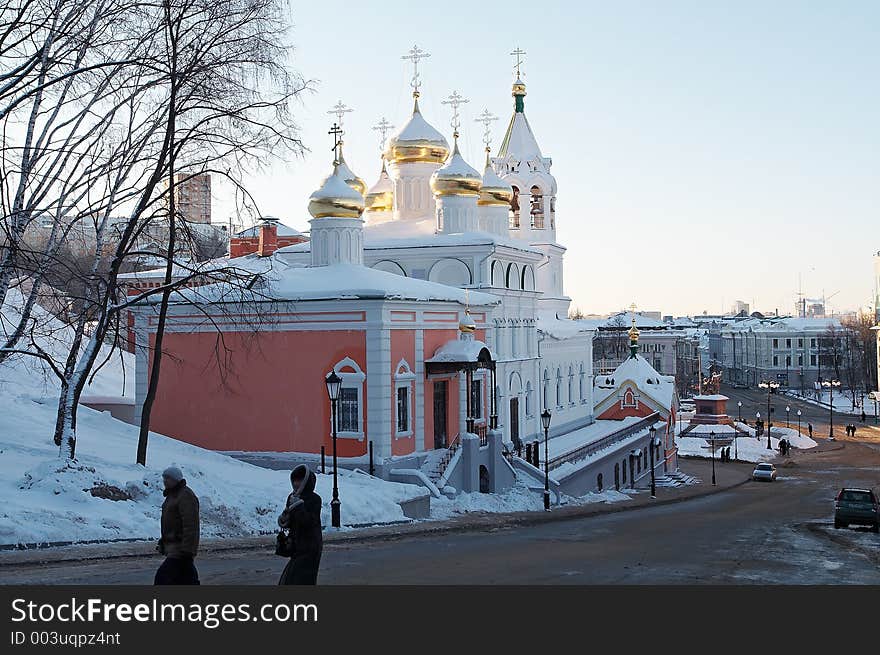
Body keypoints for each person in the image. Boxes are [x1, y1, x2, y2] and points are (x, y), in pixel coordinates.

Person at [278, 464, 323, 585]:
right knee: (292, 579)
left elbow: (309, 522)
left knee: (302, 579)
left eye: (300, 480)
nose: (296, 483)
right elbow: (292, 521)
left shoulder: (315, 499)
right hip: (296, 545)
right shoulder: (292, 497)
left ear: (306, 481)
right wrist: (284, 519)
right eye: (294, 480)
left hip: (311, 546)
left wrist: (299, 506)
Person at [155, 466, 200, 585]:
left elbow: (191, 524)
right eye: (164, 478)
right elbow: (171, 523)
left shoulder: (185, 495)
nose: (165, 481)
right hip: (175, 547)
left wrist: (188, 549)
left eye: (168, 478)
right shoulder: (172, 496)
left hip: (181, 548)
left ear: (176, 479)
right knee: (186, 579)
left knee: (162, 578)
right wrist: (163, 541)